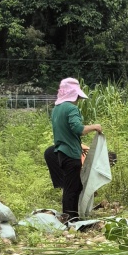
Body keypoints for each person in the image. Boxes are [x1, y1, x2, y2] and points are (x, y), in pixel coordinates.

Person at [47, 77, 102, 221]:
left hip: (60, 153)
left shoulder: (56, 109)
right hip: (71, 153)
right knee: (71, 189)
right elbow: (78, 129)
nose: (78, 99)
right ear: (73, 94)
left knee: (75, 186)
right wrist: (95, 127)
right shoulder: (71, 108)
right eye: (77, 95)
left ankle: (72, 216)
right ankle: (70, 219)